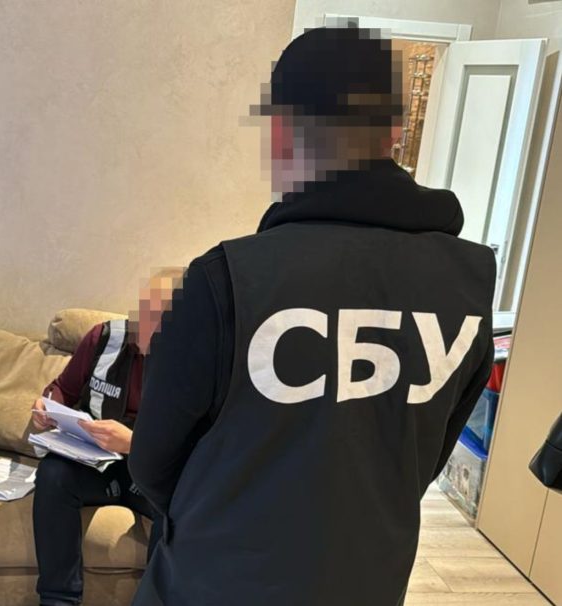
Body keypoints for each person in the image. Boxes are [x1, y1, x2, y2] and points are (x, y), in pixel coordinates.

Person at [128, 25, 496, 606]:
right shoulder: (470, 282)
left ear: (280, 133)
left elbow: (151, 463)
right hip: (368, 581)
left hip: (215, 580)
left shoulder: (225, 279)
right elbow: (425, 459)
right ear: (395, 131)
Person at [30, 268, 183, 606]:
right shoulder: (103, 338)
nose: (142, 323)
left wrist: (134, 443)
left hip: (155, 474)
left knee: (181, 502)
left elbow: (206, 441)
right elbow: (64, 389)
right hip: (96, 463)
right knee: (53, 474)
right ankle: (57, 600)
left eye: (157, 316)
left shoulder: (196, 358)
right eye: (143, 309)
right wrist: (48, 406)